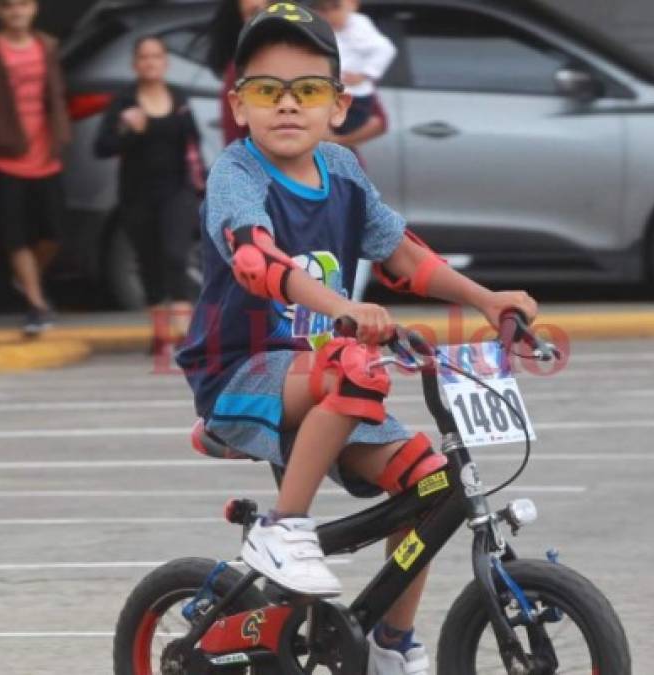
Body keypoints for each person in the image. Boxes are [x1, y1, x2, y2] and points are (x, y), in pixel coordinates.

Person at [176, 4, 537, 673]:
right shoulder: (238, 174)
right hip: (240, 373)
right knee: (354, 363)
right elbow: (257, 261)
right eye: (266, 90)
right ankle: (283, 530)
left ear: (338, 105)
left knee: (430, 481)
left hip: (324, 379)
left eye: (307, 90)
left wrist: (488, 301)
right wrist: (344, 308)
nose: (287, 105)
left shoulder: (341, 170)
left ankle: (389, 642)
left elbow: (403, 255)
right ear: (238, 104)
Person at [0, 0, 71, 335]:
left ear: (35, 8)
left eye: (22, 4)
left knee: (54, 233)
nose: (16, 12)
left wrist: (63, 133)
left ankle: (25, 279)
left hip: (46, 155)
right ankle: (36, 305)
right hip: (4, 156)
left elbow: (56, 95)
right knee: (16, 235)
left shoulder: (48, 46)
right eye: (7, 6)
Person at [94, 36, 205, 347]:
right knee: (149, 259)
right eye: (144, 57)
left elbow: (193, 143)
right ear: (135, 63)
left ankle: (184, 329)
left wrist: (203, 181)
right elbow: (102, 148)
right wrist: (127, 130)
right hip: (137, 194)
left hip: (177, 190)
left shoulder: (179, 97)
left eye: (156, 57)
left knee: (175, 254)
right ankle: (159, 331)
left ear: (165, 62)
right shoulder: (123, 101)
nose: (150, 63)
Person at [312, 0, 396, 141]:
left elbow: (385, 49)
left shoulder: (359, 25)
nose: (330, 14)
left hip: (353, 96)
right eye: (322, 9)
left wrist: (365, 74)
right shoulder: (318, 31)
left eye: (335, 7)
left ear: (353, 5)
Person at [205, 0, 269, 146]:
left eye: (270, 5)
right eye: (253, 12)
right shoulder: (238, 72)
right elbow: (234, 140)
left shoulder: (311, 56)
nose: (266, 14)